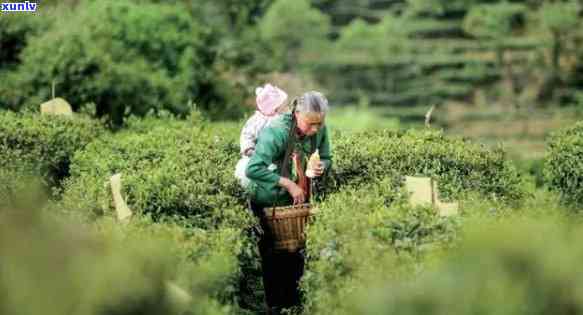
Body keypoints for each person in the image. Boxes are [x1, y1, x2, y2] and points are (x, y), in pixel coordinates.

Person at [245, 91, 332, 313]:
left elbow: (326, 157)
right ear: (297, 113)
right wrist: (288, 183)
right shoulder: (277, 132)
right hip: (269, 200)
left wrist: (322, 166)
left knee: (295, 256)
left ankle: (294, 306)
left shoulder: (318, 130)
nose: (315, 129)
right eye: (310, 124)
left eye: (319, 124)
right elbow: (253, 169)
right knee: (273, 258)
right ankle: (274, 306)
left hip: (298, 204)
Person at [235, 83, 289, 188]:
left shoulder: (280, 119)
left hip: (275, 159)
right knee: (262, 178)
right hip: (258, 158)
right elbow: (246, 136)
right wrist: (249, 149)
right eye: (285, 106)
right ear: (275, 108)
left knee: (277, 174)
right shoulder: (258, 121)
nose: (287, 108)